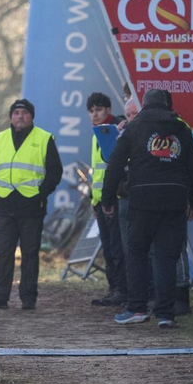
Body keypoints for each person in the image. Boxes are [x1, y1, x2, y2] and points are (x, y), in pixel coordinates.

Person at [100, 89, 193, 329]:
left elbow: (115, 166)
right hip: (174, 200)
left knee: (137, 252)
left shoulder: (133, 128)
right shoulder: (181, 129)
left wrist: (108, 200)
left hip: (142, 199)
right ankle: (166, 314)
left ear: (144, 105)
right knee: (166, 258)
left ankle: (137, 308)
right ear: (169, 105)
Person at [0, 98, 62, 310]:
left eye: (24, 113)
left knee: (30, 254)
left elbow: (55, 172)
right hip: (5, 206)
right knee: (4, 254)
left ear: (31, 117)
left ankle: (28, 298)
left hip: (31, 207)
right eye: (16, 113)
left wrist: (40, 194)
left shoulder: (44, 138)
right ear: (10, 116)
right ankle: (0, 297)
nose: (20, 116)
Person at [85, 92, 127, 309]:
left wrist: (106, 199)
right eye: (91, 111)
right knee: (109, 249)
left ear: (108, 110)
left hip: (115, 199)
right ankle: (114, 289)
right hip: (101, 201)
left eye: (99, 110)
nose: (95, 114)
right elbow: (98, 174)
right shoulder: (97, 134)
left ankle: (121, 290)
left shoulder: (118, 129)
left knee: (117, 248)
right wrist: (94, 199)